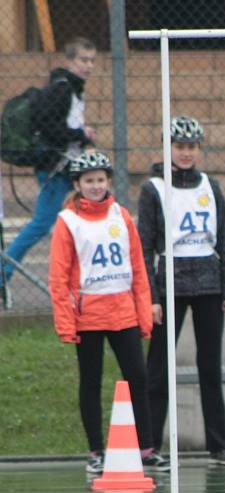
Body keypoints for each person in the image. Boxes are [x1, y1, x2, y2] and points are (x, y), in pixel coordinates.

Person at [48, 150, 169, 475]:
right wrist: (65, 322)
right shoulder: (67, 221)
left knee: (138, 377)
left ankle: (146, 448)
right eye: (89, 181)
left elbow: (138, 269)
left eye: (101, 180)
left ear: (108, 181)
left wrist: (143, 314)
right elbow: (58, 276)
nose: (96, 186)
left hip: (123, 312)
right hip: (88, 315)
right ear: (77, 184)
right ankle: (95, 452)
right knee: (91, 382)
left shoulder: (121, 215)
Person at [138, 116, 225, 466]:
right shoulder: (153, 189)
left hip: (209, 284)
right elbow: (145, 247)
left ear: (199, 148)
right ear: (168, 148)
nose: (185, 153)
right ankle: (150, 446)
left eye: (191, 146)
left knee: (209, 367)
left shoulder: (210, 186)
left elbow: (223, 240)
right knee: (159, 368)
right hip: (170, 285)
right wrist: (151, 297)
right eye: (179, 146)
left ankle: (219, 446)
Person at [1, 38, 98, 302]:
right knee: (42, 224)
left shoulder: (74, 89)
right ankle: (3, 273)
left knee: (81, 221)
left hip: (68, 168)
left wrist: (81, 138)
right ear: (70, 61)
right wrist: (81, 133)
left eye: (91, 60)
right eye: (83, 60)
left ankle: (85, 280)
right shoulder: (62, 90)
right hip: (56, 169)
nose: (88, 66)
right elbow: (49, 127)